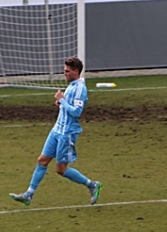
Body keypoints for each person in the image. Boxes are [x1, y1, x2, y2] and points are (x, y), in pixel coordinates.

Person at [9, 56, 102, 207]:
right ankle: (28, 194)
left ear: (76, 71)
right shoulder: (72, 85)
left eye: (67, 71)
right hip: (56, 130)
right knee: (42, 161)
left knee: (61, 169)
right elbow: (68, 107)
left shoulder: (80, 88)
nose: (64, 73)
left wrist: (62, 100)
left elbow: (77, 112)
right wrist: (61, 102)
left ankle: (92, 184)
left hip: (67, 133)